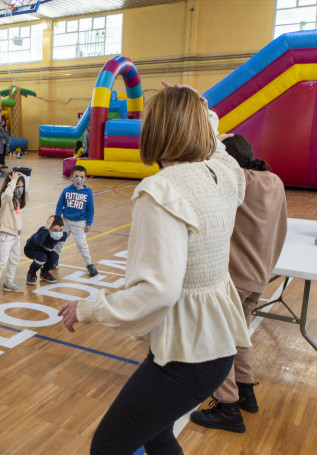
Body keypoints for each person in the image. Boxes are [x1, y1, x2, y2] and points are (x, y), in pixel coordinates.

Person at [58, 84, 251, 455]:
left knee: (109, 445)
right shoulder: (223, 173)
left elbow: (158, 290)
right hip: (214, 345)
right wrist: (203, 110)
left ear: (156, 130)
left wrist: (90, 308)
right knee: (157, 434)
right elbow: (220, 146)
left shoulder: (161, 190)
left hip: (189, 354)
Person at [190, 134, 288, 433]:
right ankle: (245, 390)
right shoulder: (274, 182)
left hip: (231, 278)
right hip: (258, 277)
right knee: (238, 337)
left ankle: (228, 406)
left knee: (217, 343)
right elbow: (282, 229)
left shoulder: (231, 182)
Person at [54, 165, 98, 276]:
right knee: (59, 241)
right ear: (71, 177)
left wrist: (89, 223)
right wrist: (58, 219)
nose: (79, 179)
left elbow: (90, 209)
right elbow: (59, 205)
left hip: (79, 223)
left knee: (82, 244)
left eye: (81, 177)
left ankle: (89, 264)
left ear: (85, 178)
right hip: (65, 221)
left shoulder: (88, 192)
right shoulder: (66, 191)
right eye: (76, 176)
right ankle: (54, 259)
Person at [0, 171, 26, 299]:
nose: (19, 189)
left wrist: (19, 229)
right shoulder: (6, 198)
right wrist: (13, 181)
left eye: (21, 187)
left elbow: (17, 217)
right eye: (17, 186)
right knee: (2, 261)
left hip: (15, 235)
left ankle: (8, 282)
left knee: (14, 260)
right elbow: (8, 193)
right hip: (5, 235)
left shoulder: (17, 201)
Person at [24, 215, 67, 285]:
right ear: (49, 228)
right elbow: (38, 241)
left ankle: (44, 272)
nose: (58, 233)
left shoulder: (61, 235)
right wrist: (46, 228)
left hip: (44, 251)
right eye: (55, 230)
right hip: (31, 249)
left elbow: (63, 237)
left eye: (61, 230)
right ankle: (31, 272)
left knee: (55, 256)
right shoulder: (43, 231)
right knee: (42, 257)